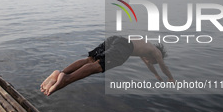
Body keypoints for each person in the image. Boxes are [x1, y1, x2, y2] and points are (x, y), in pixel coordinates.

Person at [40, 36, 174, 96]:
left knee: (90, 60)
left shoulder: (146, 47)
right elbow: (164, 66)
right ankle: (66, 78)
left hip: (115, 39)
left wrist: (156, 75)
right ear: (157, 54)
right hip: (124, 47)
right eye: (152, 60)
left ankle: (60, 72)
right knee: (99, 66)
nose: (149, 61)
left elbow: (150, 65)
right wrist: (170, 78)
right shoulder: (156, 52)